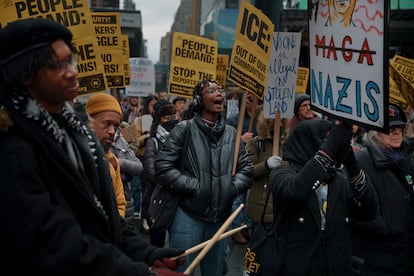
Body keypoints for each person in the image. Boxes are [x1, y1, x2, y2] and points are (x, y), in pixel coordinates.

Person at [0, 18, 187, 275]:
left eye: (70, 60)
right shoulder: (12, 144)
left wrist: (145, 253)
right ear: (25, 75)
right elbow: (49, 242)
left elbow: (102, 216)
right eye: (57, 65)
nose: (72, 71)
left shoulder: (75, 132)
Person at [155, 79, 253, 275]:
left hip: (220, 218)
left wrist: (230, 187)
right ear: (199, 100)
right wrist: (195, 186)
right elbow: (163, 167)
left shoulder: (233, 134)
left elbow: (246, 170)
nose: (219, 94)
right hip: (188, 214)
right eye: (211, 90)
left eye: (220, 90)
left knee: (216, 272)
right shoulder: (184, 129)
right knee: (182, 270)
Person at [269, 119, 377, 275]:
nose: (332, 146)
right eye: (326, 140)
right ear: (309, 141)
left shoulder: (338, 179)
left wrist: (352, 167)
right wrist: (330, 147)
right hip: (298, 266)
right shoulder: (282, 173)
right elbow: (294, 192)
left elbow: (369, 211)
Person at [351, 103, 414, 275]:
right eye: (390, 129)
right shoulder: (360, 161)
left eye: (400, 128)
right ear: (375, 134)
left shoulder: (403, 159)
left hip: (405, 255)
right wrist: (389, 227)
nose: (397, 132)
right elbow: (355, 210)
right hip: (376, 258)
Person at [86, 93, 128, 217]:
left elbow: (120, 204)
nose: (112, 131)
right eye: (106, 123)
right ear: (89, 122)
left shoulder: (112, 161)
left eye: (116, 126)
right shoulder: (74, 156)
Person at [143, 100, 178, 246]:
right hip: (158, 197)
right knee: (157, 240)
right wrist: (173, 180)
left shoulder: (181, 139)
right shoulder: (153, 141)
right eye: (166, 118)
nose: (171, 121)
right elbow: (150, 172)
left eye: (173, 117)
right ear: (159, 120)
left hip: (178, 197)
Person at [226, 91, 258, 244]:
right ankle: (235, 229)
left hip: (257, 163)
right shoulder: (233, 120)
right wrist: (241, 139)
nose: (251, 102)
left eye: (254, 98)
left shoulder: (262, 119)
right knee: (239, 198)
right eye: (248, 99)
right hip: (239, 164)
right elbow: (224, 141)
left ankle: (247, 226)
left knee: (253, 197)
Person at [245, 106, 283, 236]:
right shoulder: (255, 144)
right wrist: (266, 165)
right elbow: (248, 172)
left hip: (282, 205)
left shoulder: (287, 143)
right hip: (261, 204)